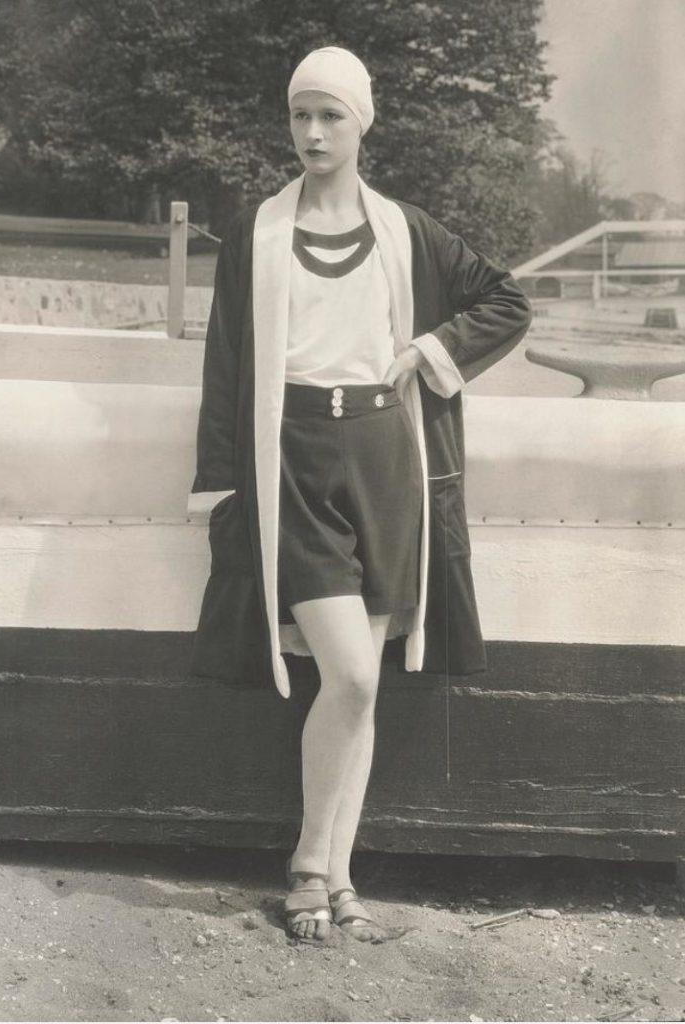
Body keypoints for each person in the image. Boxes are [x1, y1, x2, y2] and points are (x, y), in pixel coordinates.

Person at [187, 46, 532, 943]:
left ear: (362, 122)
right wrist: (219, 490)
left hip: (384, 460)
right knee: (344, 670)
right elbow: (227, 366)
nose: (311, 132)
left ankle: (338, 880)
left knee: (364, 682)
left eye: (330, 115)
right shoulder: (255, 234)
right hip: (294, 461)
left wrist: (426, 351)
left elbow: (505, 301)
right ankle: (308, 863)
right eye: (300, 114)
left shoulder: (405, 229)